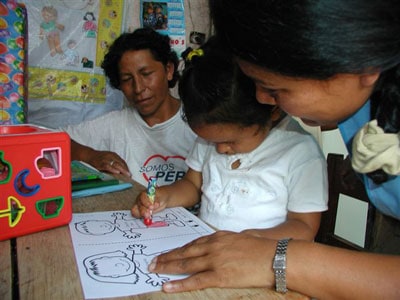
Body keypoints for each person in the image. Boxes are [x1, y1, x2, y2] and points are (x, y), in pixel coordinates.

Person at [145, 1, 400, 299]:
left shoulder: (302, 143)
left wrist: (277, 260)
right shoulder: (360, 102)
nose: (264, 101)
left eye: (275, 89)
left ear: (362, 64)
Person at [132, 38, 328, 239]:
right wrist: (165, 197)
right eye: (213, 142)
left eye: (230, 141)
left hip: (262, 261)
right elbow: (192, 186)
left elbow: (304, 227)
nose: (220, 149)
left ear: (272, 110)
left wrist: (248, 240)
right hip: (209, 248)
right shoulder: (211, 139)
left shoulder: (300, 152)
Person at [63, 28, 197, 188]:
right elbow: (47, 142)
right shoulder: (114, 125)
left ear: (168, 70)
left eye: (146, 74)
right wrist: (90, 156)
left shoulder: (200, 121)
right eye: (127, 79)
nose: (138, 88)